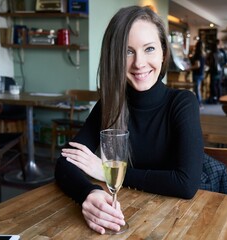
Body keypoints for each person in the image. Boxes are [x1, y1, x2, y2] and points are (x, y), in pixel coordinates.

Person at [55, 5, 204, 235]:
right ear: (115, 57)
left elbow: (185, 184)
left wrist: (107, 172)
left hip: (178, 222)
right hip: (125, 217)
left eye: (149, 49)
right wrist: (89, 192)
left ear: (163, 53)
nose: (139, 63)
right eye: (128, 51)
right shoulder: (110, 105)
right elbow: (65, 162)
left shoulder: (183, 102)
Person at [189, 40, 206, 109]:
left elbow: (197, 65)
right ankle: (199, 103)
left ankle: (199, 104)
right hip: (201, 73)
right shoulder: (203, 54)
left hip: (197, 74)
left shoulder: (197, 54)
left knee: (197, 89)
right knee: (198, 89)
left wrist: (189, 68)